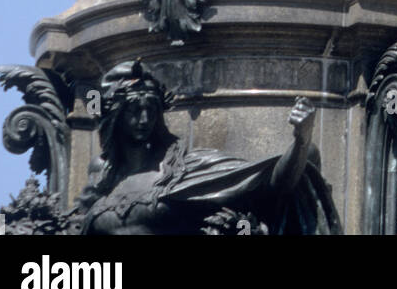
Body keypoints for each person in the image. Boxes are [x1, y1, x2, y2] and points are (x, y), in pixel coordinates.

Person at [78, 60, 338, 235]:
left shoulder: (187, 169)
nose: (144, 120)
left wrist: (301, 140)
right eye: (134, 111)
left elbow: (272, 181)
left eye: (151, 110)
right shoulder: (102, 176)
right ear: (116, 116)